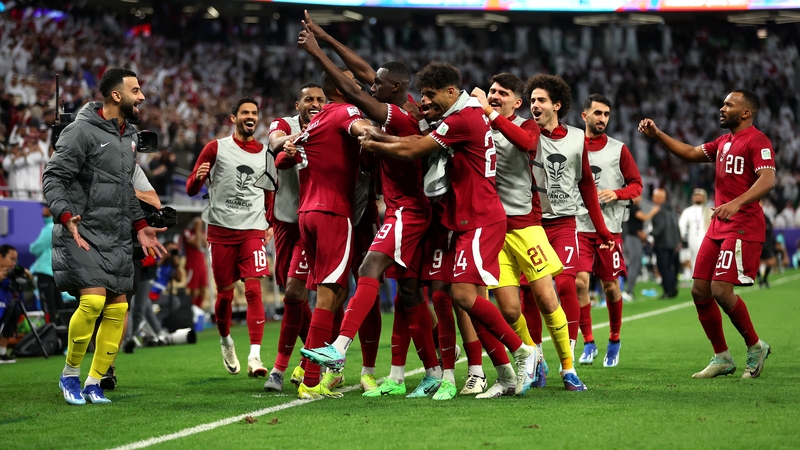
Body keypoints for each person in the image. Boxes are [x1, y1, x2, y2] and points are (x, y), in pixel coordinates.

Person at [359, 61, 540, 397]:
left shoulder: (462, 119)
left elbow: (413, 148)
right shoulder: (464, 114)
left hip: (480, 218)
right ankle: (503, 374)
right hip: (466, 218)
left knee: (462, 296)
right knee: (464, 299)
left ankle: (523, 351)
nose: (427, 100)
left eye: (432, 94)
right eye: (424, 94)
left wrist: (375, 143)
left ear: (451, 91)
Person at [297, 16, 442, 398]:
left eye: (377, 84)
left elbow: (352, 89)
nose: (369, 85)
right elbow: (363, 73)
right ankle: (434, 372)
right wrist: (327, 36)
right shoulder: (403, 102)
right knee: (410, 292)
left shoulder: (398, 116)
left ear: (393, 88)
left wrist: (317, 52)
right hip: (403, 207)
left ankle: (339, 346)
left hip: (407, 209)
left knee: (368, 268)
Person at [42, 68, 166, 405]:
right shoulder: (80, 130)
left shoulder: (128, 136)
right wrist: (65, 216)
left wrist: (140, 226)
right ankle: (70, 375)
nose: (141, 97)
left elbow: (125, 189)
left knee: (117, 309)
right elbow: (53, 177)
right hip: (81, 230)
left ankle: (94, 381)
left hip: (116, 236)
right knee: (93, 302)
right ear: (116, 95)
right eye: (135, 91)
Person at [639, 88, 773, 379]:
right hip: (718, 225)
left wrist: (736, 203)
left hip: (742, 225)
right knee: (699, 290)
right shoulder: (723, 142)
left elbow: (768, 179)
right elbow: (689, 153)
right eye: (723, 103)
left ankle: (755, 346)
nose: (722, 108)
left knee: (721, 290)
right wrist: (658, 135)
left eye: (729, 104)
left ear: (746, 112)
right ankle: (722, 356)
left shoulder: (758, 141)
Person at [470, 74, 586, 393]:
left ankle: (568, 368)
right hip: (493, 230)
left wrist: (489, 112)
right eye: (491, 91)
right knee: (509, 310)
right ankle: (535, 357)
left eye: (502, 93)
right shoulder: (477, 124)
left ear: (516, 102)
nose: (494, 96)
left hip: (526, 225)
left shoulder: (527, 126)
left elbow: (527, 144)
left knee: (547, 299)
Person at [277, 56, 378, 399]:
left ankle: (312, 370)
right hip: (333, 213)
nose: (357, 87)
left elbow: (282, 159)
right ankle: (310, 380)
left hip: (307, 214)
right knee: (328, 294)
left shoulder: (314, 121)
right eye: (351, 82)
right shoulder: (344, 111)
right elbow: (364, 131)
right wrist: (386, 134)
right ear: (340, 87)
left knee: (336, 293)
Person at [524, 75, 614, 366]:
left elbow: (586, 184)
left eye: (541, 100)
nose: (534, 105)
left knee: (567, 285)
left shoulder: (576, 138)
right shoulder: (525, 133)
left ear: (557, 105)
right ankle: (536, 358)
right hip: (531, 223)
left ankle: (569, 357)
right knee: (530, 290)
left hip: (564, 223)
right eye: (532, 100)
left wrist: (602, 230)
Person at [186, 97, 275, 380]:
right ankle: (226, 341)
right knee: (224, 295)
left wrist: (270, 223)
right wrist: (198, 178)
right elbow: (191, 188)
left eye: (254, 113)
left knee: (253, 289)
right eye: (245, 112)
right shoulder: (215, 148)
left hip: (252, 230)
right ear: (234, 118)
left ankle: (255, 356)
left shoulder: (266, 153)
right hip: (221, 231)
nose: (251, 116)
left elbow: (270, 193)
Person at [263, 82, 324, 392]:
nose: (315, 104)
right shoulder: (284, 124)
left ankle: (279, 368)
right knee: (294, 296)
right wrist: (299, 138)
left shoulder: (329, 127)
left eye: (320, 100)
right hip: (284, 219)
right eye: (309, 99)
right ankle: (315, 356)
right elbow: (275, 144)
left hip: (311, 219)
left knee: (293, 293)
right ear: (298, 104)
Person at [575, 94, 643, 368]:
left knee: (611, 288)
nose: (602, 118)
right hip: (579, 226)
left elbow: (636, 184)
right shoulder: (573, 144)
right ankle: (588, 342)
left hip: (610, 229)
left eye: (606, 114)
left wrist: (617, 193)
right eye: (597, 113)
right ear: (584, 116)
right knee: (579, 283)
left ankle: (614, 340)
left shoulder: (619, 149)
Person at [623, 195, 660, 300]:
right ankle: (628, 291)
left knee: (637, 264)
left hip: (636, 238)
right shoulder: (632, 207)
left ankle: (630, 290)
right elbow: (644, 217)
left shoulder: (637, 207)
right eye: (636, 196)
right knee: (634, 264)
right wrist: (654, 211)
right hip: (632, 238)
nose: (639, 198)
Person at [29, 205, 62, 325]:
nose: (44, 209)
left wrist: (33, 247)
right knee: (58, 307)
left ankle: (51, 333)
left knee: (49, 308)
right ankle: (59, 333)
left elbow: (34, 249)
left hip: (46, 273)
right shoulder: (54, 226)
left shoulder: (50, 228)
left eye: (47, 206)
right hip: (54, 272)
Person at [650, 188, 680, 299]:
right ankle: (673, 288)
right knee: (670, 267)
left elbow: (660, 226)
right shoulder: (671, 208)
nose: (652, 198)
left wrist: (650, 234)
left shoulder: (658, 209)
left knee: (663, 267)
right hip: (673, 243)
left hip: (662, 243)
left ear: (659, 198)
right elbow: (676, 226)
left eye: (654, 196)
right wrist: (678, 241)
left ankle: (668, 291)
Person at [678, 188, 713, 279]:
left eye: (700, 196)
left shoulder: (709, 211)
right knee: (694, 256)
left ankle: (705, 277)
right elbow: (681, 225)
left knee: (706, 257)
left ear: (704, 197)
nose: (697, 197)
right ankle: (696, 277)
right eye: (696, 195)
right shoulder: (688, 211)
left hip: (706, 237)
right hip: (692, 237)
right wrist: (680, 238)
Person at [182, 216, 209, 309]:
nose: (200, 225)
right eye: (198, 224)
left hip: (201, 264)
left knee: (203, 289)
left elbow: (206, 245)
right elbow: (197, 245)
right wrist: (197, 230)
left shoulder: (202, 232)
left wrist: (200, 231)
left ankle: (198, 308)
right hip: (192, 264)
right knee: (193, 289)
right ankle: (191, 309)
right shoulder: (187, 232)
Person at [0, 244, 20, 363]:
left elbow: (29, 287)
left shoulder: (9, 275)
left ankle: (2, 353)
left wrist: (28, 276)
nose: (13, 263)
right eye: (11, 259)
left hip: (3, 308)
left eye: (15, 260)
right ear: (1, 256)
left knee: (14, 311)